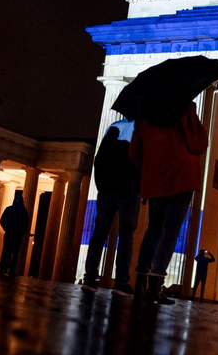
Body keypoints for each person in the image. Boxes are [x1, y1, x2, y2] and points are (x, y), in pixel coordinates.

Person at [129, 101, 208, 305]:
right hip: (182, 178)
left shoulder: (143, 114)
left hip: (156, 179)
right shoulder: (184, 108)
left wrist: (149, 168)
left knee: (153, 229)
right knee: (169, 232)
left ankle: (139, 283)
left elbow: (134, 152)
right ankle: (155, 287)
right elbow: (199, 144)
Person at [81, 119, 141, 294]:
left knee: (99, 233)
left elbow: (98, 161)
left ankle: (90, 277)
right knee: (126, 236)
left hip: (107, 190)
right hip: (129, 190)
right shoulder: (141, 131)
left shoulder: (114, 128)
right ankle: (121, 281)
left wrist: (100, 185)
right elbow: (142, 162)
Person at [0, 193, 30, 277]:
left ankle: (2, 268)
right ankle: (11, 270)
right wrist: (22, 232)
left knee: (6, 251)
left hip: (9, 233)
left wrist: (6, 228)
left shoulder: (9, 209)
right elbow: (26, 223)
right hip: (17, 235)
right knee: (15, 253)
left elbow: (2, 220)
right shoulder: (23, 211)